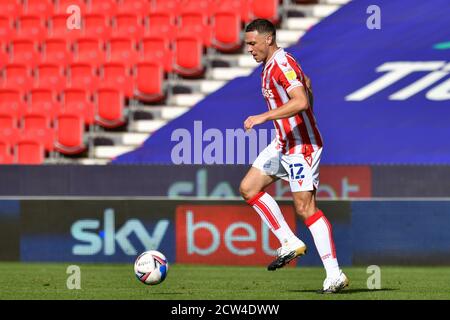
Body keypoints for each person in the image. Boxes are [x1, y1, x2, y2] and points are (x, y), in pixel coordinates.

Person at [239, 19, 348, 294]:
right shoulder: (269, 66)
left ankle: (334, 274)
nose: (249, 49)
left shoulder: (281, 64)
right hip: (283, 142)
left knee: (305, 208)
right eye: (247, 44)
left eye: (253, 43)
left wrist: (263, 116)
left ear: (268, 39)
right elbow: (306, 86)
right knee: (248, 188)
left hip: (302, 146)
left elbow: (299, 101)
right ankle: (289, 241)